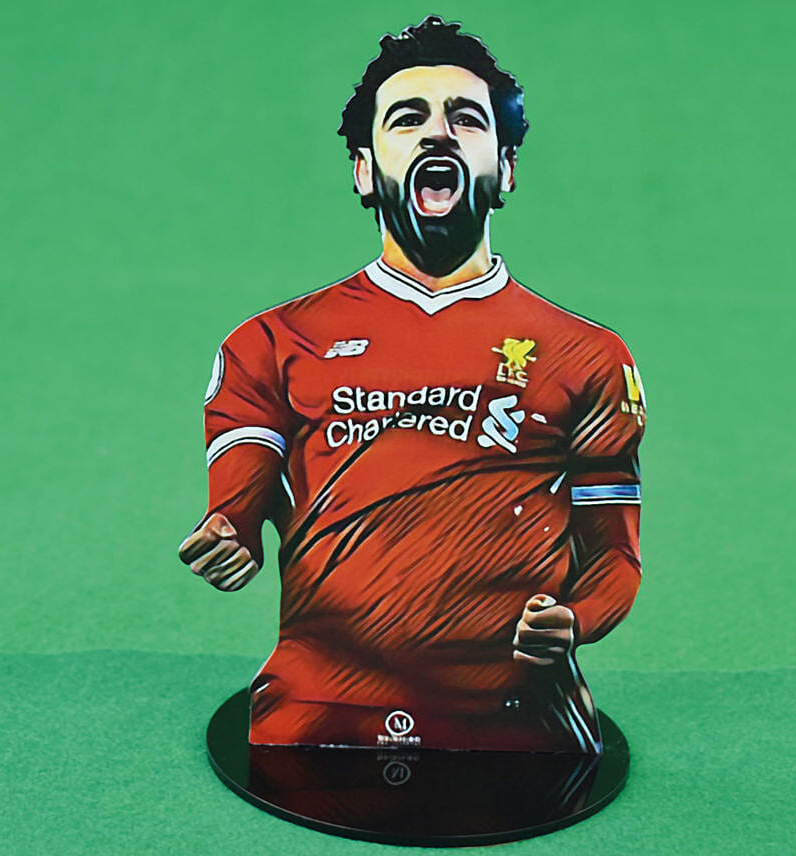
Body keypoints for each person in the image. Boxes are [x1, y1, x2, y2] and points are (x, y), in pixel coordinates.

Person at [178, 16, 646, 754]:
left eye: (466, 118)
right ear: (365, 171)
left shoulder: (589, 356)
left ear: (506, 168)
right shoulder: (270, 343)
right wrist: (230, 531)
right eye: (407, 118)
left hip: (519, 734)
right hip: (316, 721)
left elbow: (616, 558)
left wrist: (577, 619)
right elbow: (239, 495)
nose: (438, 134)